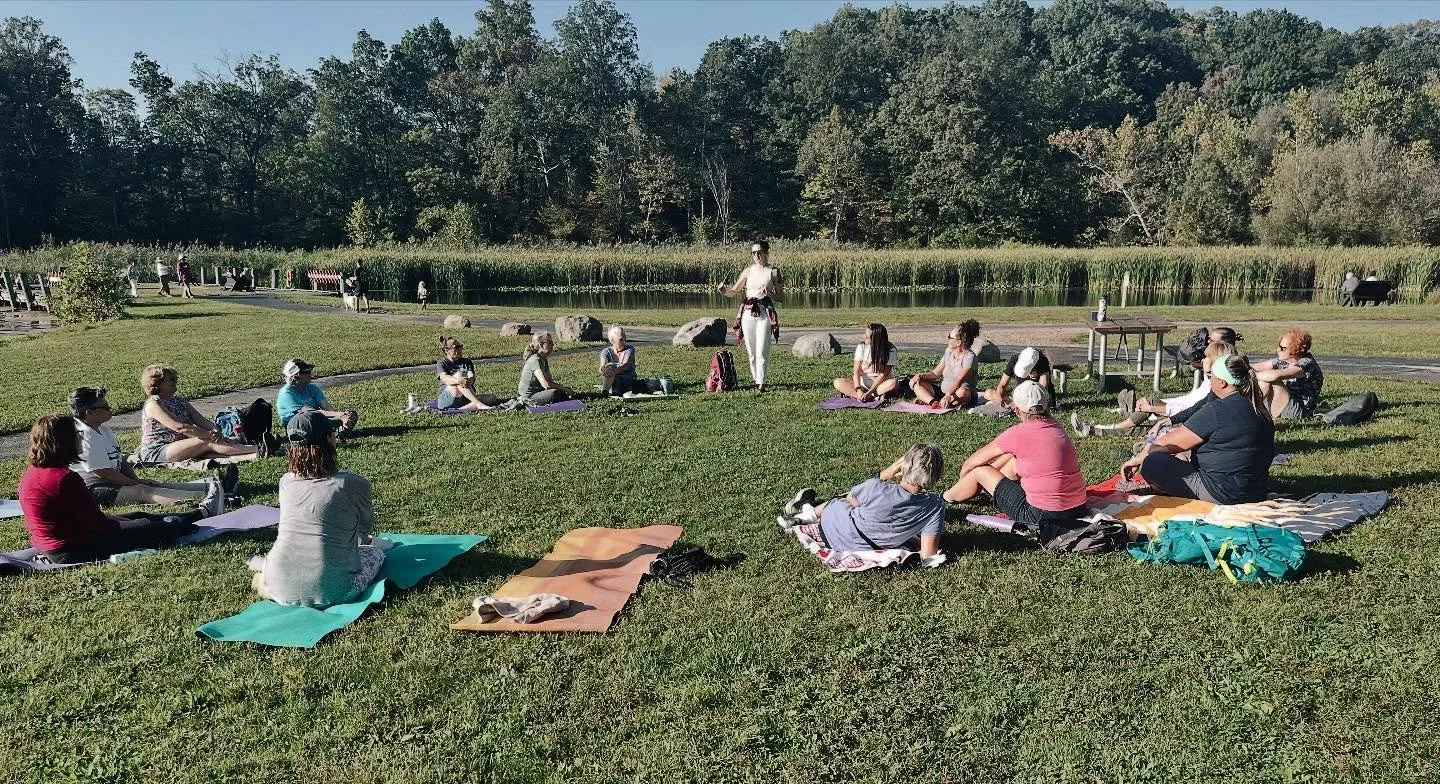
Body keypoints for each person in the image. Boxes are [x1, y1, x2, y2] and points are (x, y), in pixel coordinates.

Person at [19, 414, 211, 564]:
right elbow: (101, 526)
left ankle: (197, 514)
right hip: (70, 551)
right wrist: (138, 525)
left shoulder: (32, 473)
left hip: (53, 544)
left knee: (136, 514)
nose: (81, 438)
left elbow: (86, 516)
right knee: (162, 530)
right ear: (65, 441)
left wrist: (131, 519)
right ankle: (184, 521)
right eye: (77, 434)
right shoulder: (64, 479)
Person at [249, 411, 385, 608]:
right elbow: (365, 530)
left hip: (279, 587)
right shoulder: (353, 484)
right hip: (335, 591)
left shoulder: (286, 482)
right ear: (330, 439)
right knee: (375, 554)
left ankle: (267, 570)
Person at [943, 381, 1089, 538]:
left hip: (1041, 516)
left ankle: (946, 497)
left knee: (980, 471)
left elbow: (971, 463)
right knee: (1013, 459)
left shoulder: (1018, 434)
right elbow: (1015, 459)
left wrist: (965, 480)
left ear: (1018, 410)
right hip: (1078, 507)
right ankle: (985, 489)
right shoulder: (1057, 427)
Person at [1123, 354, 1274, 504]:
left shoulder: (1216, 410)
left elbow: (1167, 443)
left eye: (1211, 377)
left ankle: (1171, 492)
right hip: (1255, 491)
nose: (1209, 381)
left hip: (1222, 493)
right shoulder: (1261, 410)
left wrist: (1137, 460)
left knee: (1153, 462)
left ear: (1222, 383)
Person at [782, 443, 945, 560]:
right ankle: (804, 510)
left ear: (904, 466)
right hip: (867, 547)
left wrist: (884, 474)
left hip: (834, 531)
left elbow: (850, 500)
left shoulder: (877, 487)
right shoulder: (934, 506)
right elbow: (928, 554)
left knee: (838, 502)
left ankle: (804, 517)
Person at [70, 387, 224, 507]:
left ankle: (210, 488)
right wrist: (135, 483)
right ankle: (206, 497)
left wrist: (136, 479)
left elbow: (120, 459)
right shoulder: (85, 436)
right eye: (104, 406)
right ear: (89, 412)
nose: (110, 408)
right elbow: (104, 473)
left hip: (107, 481)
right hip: (91, 490)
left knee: (152, 484)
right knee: (143, 491)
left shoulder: (102, 428)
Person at [1073, 334, 1239, 437]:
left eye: (1206, 356)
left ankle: (1103, 427)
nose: (1202, 358)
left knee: (1150, 420)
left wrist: (1156, 409)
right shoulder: (1213, 380)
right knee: (1151, 425)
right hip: (1183, 418)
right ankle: (1116, 421)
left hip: (1189, 425)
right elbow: (1190, 403)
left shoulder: (1218, 388)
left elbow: (1193, 410)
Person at [137, 364, 259, 465]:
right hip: (157, 451)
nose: (174, 381)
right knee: (206, 442)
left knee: (209, 450)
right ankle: (258, 448)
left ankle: (254, 455)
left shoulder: (178, 401)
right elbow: (180, 427)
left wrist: (215, 429)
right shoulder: (153, 404)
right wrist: (208, 435)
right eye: (169, 379)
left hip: (179, 446)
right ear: (156, 383)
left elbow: (200, 420)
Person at [718, 240, 784, 392]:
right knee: (751, 351)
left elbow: (781, 297)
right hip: (747, 312)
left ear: (766, 253)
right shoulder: (748, 271)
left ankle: (762, 383)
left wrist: (771, 293)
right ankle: (756, 379)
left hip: (763, 312)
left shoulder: (773, 271)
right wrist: (723, 290)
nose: (756, 255)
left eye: (759, 252)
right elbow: (733, 292)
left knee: (762, 349)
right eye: (753, 253)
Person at [1254, 328, 1324, 420]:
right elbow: (1254, 367)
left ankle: (1250, 410)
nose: (1278, 350)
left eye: (1282, 348)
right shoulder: (1283, 361)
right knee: (1264, 381)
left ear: (1296, 349)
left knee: (1272, 381)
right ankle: (1251, 410)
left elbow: (1275, 376)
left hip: (1299, 411)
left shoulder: (1307, 364)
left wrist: (1250, 375)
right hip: (1285, 404)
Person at [911, 320, 980, 408]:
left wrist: (948, 396)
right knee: (918, 385)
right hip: (942, 392)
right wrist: (920, 376)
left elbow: (959, 381)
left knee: (963, 392)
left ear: (958, 342)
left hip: (958, 394)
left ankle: (938, 401)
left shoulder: (970, 357)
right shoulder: (948, 352)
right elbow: (935, 373)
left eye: (949, 337)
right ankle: (934, 403)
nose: (947, 339)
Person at [276, 359, 359, 432]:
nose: (310, 374)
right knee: (311, 419)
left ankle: (340, 431)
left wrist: (341, 415)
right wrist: (339, 415)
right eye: (306, 372)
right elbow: (310, 412)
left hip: (316, 419)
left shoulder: (312, 388)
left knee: (351, 414)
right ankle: (335, 432)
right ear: (295, 376)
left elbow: (326, 407)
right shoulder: (286, 394)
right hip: (299, 426)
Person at [427, 336, 499, 412]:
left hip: (465, 398)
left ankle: (461, 409)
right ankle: (478, 404)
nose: (460, 349)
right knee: (459, 375)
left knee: (491, 398)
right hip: (449, 398)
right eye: (456, 347)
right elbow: (444, 378)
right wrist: (459, 380)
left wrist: (470, 379)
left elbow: (471, 375)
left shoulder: (467, 362)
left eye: (461, 346)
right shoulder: (442, 363)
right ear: (446, 350)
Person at [832, 323, 901, 402]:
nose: (864, 336)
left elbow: (883, 375)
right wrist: (858, 389)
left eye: (867, 336)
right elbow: (856, 372)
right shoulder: (861, 347)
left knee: (894, 383)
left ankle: (867, 396)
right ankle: (866, 396)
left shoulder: (890, 350)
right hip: (863, 385)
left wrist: (870, 391)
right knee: (838, 382)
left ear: (876, 338)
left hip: (881, 384)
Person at [984, 346, 1052, 406]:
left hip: (1034, 395)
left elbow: (1042, 389)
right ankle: (1014, 404)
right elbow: (1002, 385)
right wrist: (999, 398)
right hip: (1020, 394)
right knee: (988, 393)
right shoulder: (1014, 359)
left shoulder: (1042, 361)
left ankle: (1016, 405)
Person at [518, 331, 573, 405]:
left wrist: (563, 388)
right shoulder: (535, 360)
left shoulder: (543, 360)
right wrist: (563, 389)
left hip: (539, 391)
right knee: (555, 393)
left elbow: (550, 381)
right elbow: (546, 385)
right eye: (550, 342)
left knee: (560, 391)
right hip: (529, 396)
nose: (553, 345)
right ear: (541, 345)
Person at [599, 326, 642, 395]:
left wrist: (612, 371)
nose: (624, 341)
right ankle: (605, 392)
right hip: (611, 380)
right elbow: (602, 367)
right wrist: (605, 370)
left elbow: (626, 365)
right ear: (612, 340)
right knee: (608, 368)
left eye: (625, 338)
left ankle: (612, 391)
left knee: (610, 367)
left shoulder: (630, 349)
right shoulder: (606, 351)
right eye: (621, 339)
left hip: (627, 379)